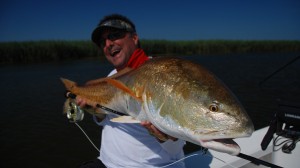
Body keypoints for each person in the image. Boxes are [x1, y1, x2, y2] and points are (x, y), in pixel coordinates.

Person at [77, 14, 186, 168]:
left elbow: (177, 146)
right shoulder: (111, 76)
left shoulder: (159, 75)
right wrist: (98, 113)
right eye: (103, 42)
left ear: (134, 38)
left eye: (114, 35)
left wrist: (166, 138)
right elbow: (108, 120)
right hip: (106, 163)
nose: (108, 43)